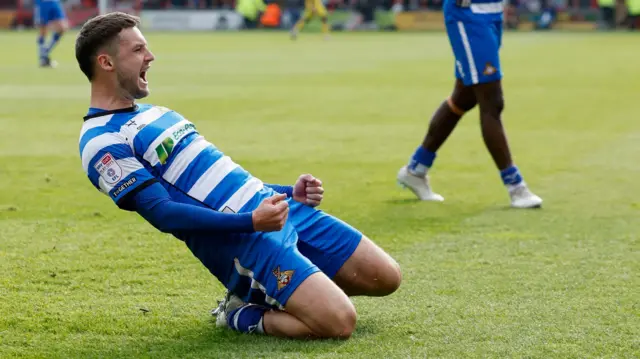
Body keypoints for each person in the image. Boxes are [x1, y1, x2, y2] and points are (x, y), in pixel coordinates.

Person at [75, 12, 402, 339]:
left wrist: (290, 192)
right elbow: (164, 214)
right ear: (106, 62)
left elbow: (223, 177)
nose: (151, 56)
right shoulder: (102, 141)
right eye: (137, 50)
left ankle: (291, 292)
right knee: (339, 321)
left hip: (271, 208)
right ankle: (239, 313)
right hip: (240, 238)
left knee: (385, 277)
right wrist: (251, 222)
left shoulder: (159, 113)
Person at [396, 0, 543, 209]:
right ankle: (515, 186)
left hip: (492, 11)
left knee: (464, 97)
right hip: (469, 13)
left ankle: (416, 169)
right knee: (492, 101)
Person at [34, 0, 68, 67]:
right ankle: (43, 59)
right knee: (43, 30)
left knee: (62, 28)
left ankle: (44, 54)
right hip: (43, 2)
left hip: (54, 2)